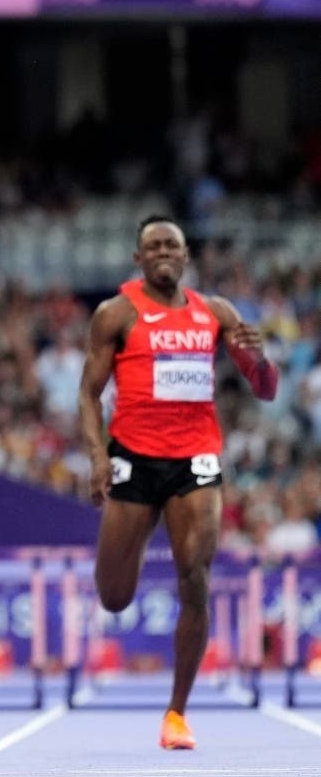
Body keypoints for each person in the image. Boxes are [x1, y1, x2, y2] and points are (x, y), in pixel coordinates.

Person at [78, 215, 278, 750]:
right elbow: (87, 394)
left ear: (186, 256)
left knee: (196, 576)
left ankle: (177, 714)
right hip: (134, 460)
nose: (164, 251)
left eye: (173, 244)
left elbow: (266, 388)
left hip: (197, 458)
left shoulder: (215, 312)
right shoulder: (116, 313)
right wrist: (98, 457)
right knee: (115, 596)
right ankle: (138, 541)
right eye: (154, 245)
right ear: (138, 258)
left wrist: (256, 360)